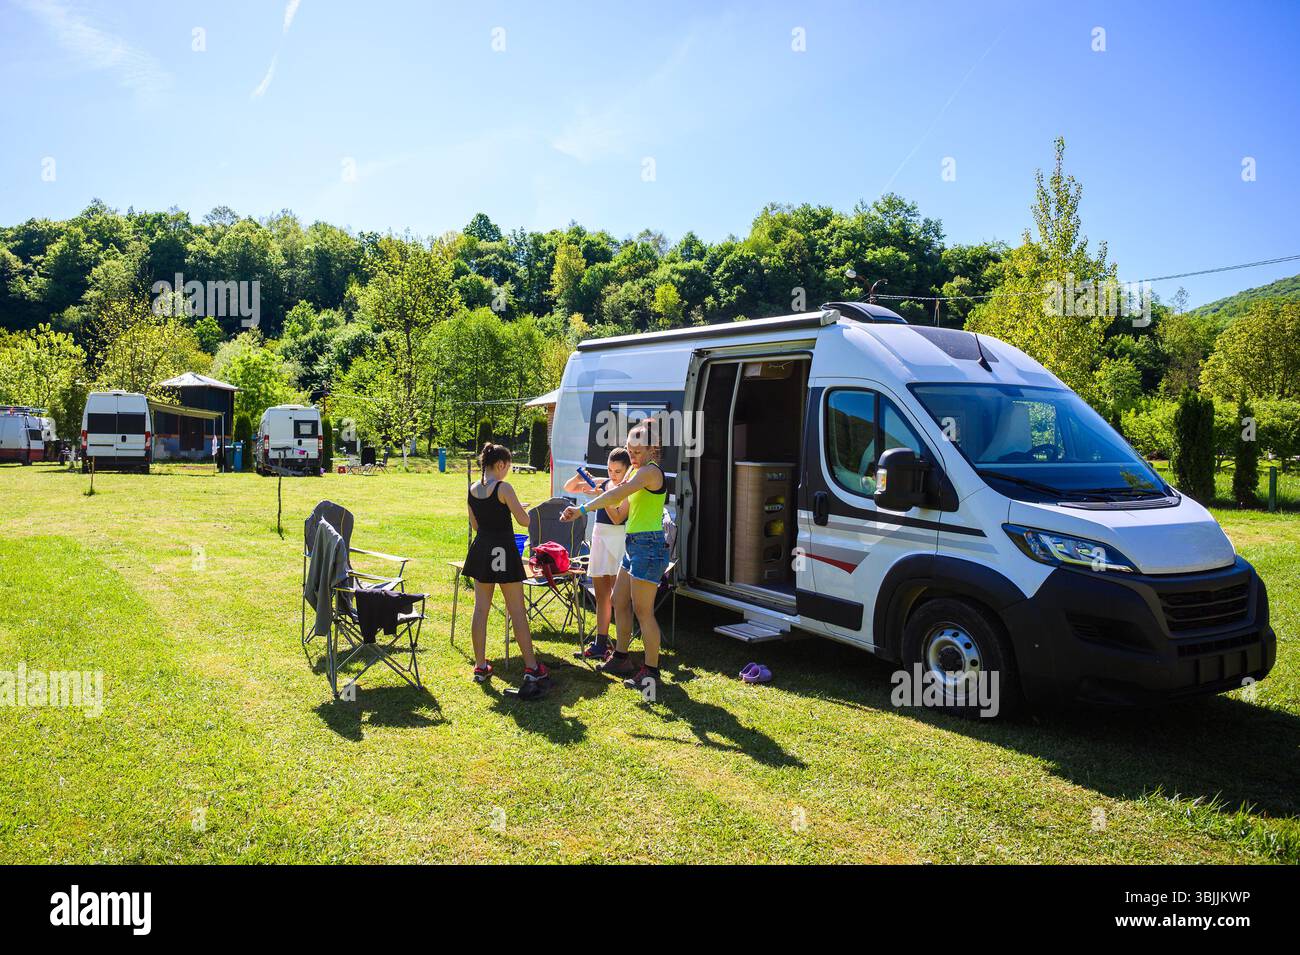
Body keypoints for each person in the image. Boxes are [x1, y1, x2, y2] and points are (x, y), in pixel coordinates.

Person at [560, 422, 669, 697]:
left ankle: (651, 672)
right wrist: (601, 498)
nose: (632, 455)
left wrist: (583, 508)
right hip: (633, 545)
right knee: (619, 600)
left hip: (648, 546)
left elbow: (619, 492)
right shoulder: (636, 471)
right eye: (629, 449)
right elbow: (620, 512)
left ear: (652, 449)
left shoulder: (649, 473)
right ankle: (621, 657)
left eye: (637, 450)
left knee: (643, 612)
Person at [463, 442, 549, 698]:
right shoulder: (504, 487)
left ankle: (480, 666)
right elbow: (524, 520)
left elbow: (476, 525)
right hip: (504, 551)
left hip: (482, 551)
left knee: (481, 609)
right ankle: (533, 668)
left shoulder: (472, 488)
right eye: (508, 466)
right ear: (501, 465)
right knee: (517, 612)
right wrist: (518, 505)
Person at [562, 448, 631, 660]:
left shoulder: (629, 489)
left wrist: (602, 496)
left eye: (618, 471)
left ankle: (620, 648)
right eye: (610, 470)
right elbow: (570, 487)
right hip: (600, 538)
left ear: (628, 470)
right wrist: (580, 476)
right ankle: (600, 644)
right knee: (601, 595)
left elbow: (618, 518)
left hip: (619, 540)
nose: (613, 475)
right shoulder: (605, 483)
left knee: (619, 598)